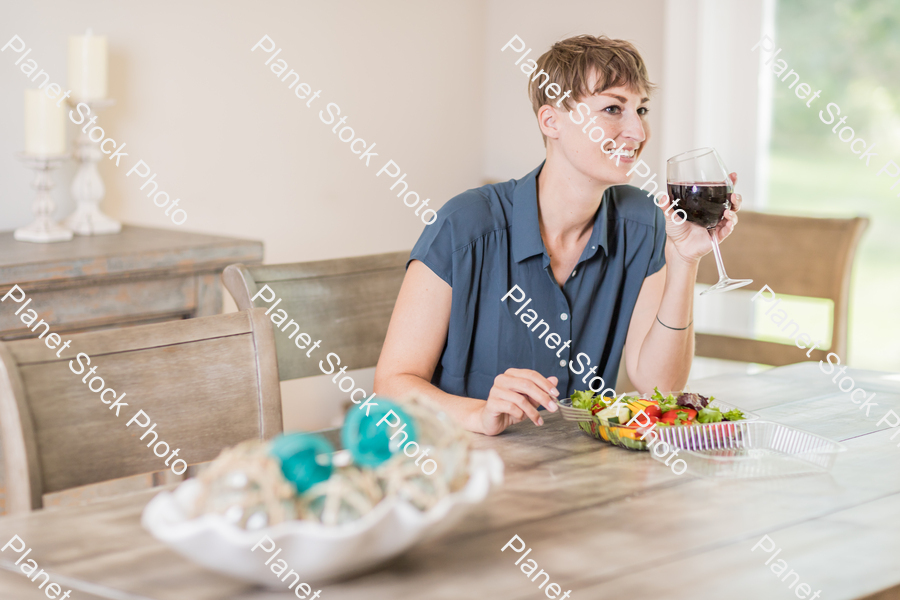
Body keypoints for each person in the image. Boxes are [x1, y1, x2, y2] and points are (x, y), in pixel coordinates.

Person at [373, 34, 741, 436]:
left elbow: (662, 386)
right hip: (459, 468)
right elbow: (391, 387)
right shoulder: (466, 224)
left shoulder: (642, 222)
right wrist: (479, 414)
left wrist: (685, 260)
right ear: (551, 121)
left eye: (641, 109)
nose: (638, 131)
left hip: (571, 472)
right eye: (613, 108)